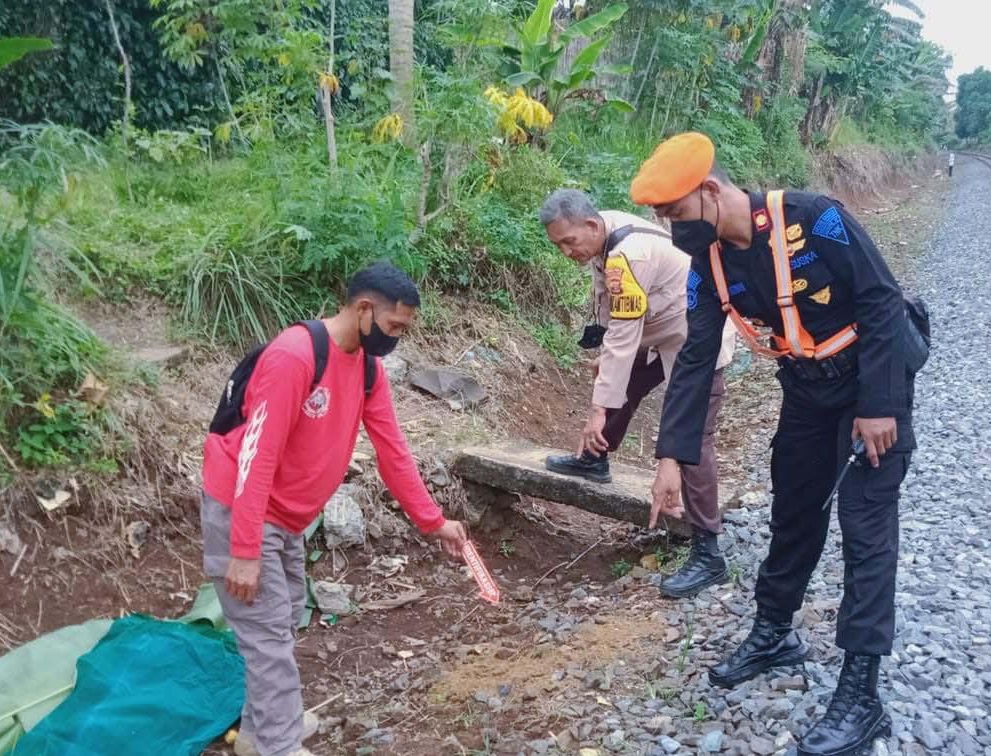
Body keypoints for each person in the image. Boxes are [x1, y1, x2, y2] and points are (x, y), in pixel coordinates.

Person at [632, 133, 922, 756]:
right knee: (792, 515)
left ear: (711, 191)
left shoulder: (816, 219)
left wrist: (879, 406)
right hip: (808, 393)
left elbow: (879, 300)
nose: (672, 229)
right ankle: (773, 632)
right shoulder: (709, 263)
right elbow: (694, 358)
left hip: (870, 384)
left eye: (677, 214)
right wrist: (669, 458)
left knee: (866, 531)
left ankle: (862, 690)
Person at [200, 261, 470, 756]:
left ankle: (260, 734)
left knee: (279, 625)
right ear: (364, 309)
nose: (396, 339)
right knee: (266, 637)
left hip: (288, 517)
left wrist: (435, 522)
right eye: (394, 327)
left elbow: (393, 452)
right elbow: (256, 457)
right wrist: (243, 548)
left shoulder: (366, 368)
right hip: (244, 509)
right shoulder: (295, 356)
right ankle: (280, 746)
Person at [537, 188, 738, 598]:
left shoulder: (628, 255)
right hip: (663, 324)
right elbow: (618, 321)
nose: (566, 253)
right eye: (558, 245)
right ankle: (594, 460)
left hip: (697, 337)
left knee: (693, 436)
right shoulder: (605, 231)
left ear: (591, 226)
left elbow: (624, 335)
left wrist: (598, 406)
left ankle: (707, 551)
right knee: (620, 381)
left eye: (569, 243)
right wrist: (611, 369)